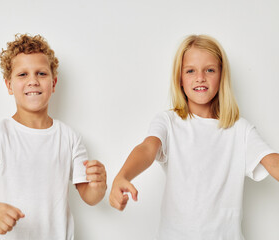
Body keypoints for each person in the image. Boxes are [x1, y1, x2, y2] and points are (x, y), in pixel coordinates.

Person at [109, 34, 279, 239]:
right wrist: (123, 176)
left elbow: (272, 162)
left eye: (210, 70)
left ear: (221, 75)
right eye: (190, 71)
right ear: (180, 79)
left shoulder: (240, 129)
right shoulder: (169, 122)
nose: (200, 77)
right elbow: (147, 148)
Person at [0, 34, 107, 240]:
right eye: (23, 74)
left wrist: (98, 186)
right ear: (9, 85)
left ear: (53, 83)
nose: (33, 81)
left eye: (41, 73)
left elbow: (89, 196)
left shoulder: (69, 137)